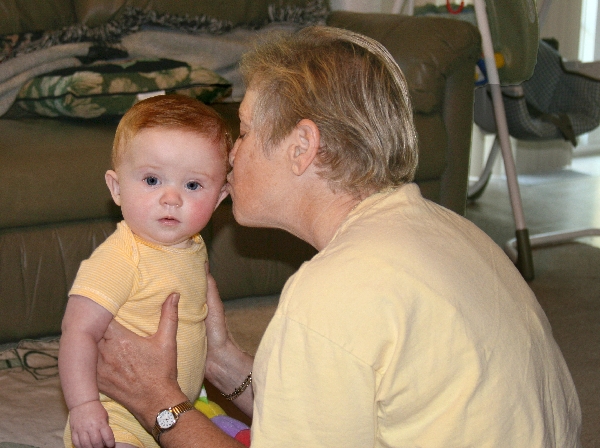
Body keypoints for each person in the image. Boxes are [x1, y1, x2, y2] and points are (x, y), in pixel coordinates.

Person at [95, 26, 582, 447]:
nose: (230, 156)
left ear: (302, 147)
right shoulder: (447, 229)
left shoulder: (333, 293)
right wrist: (220, 359)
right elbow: (331, 416)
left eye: (242, 131)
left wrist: (159, 403)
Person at [59, 94, 230, 448]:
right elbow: (77, 332)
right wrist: (83, 405)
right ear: (117, 187)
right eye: (152, 180)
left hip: (176, 411)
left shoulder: (193, 248)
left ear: (219, 198)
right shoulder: (121, 258)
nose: (171, 198)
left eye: (193, 185)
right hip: (116, 417)